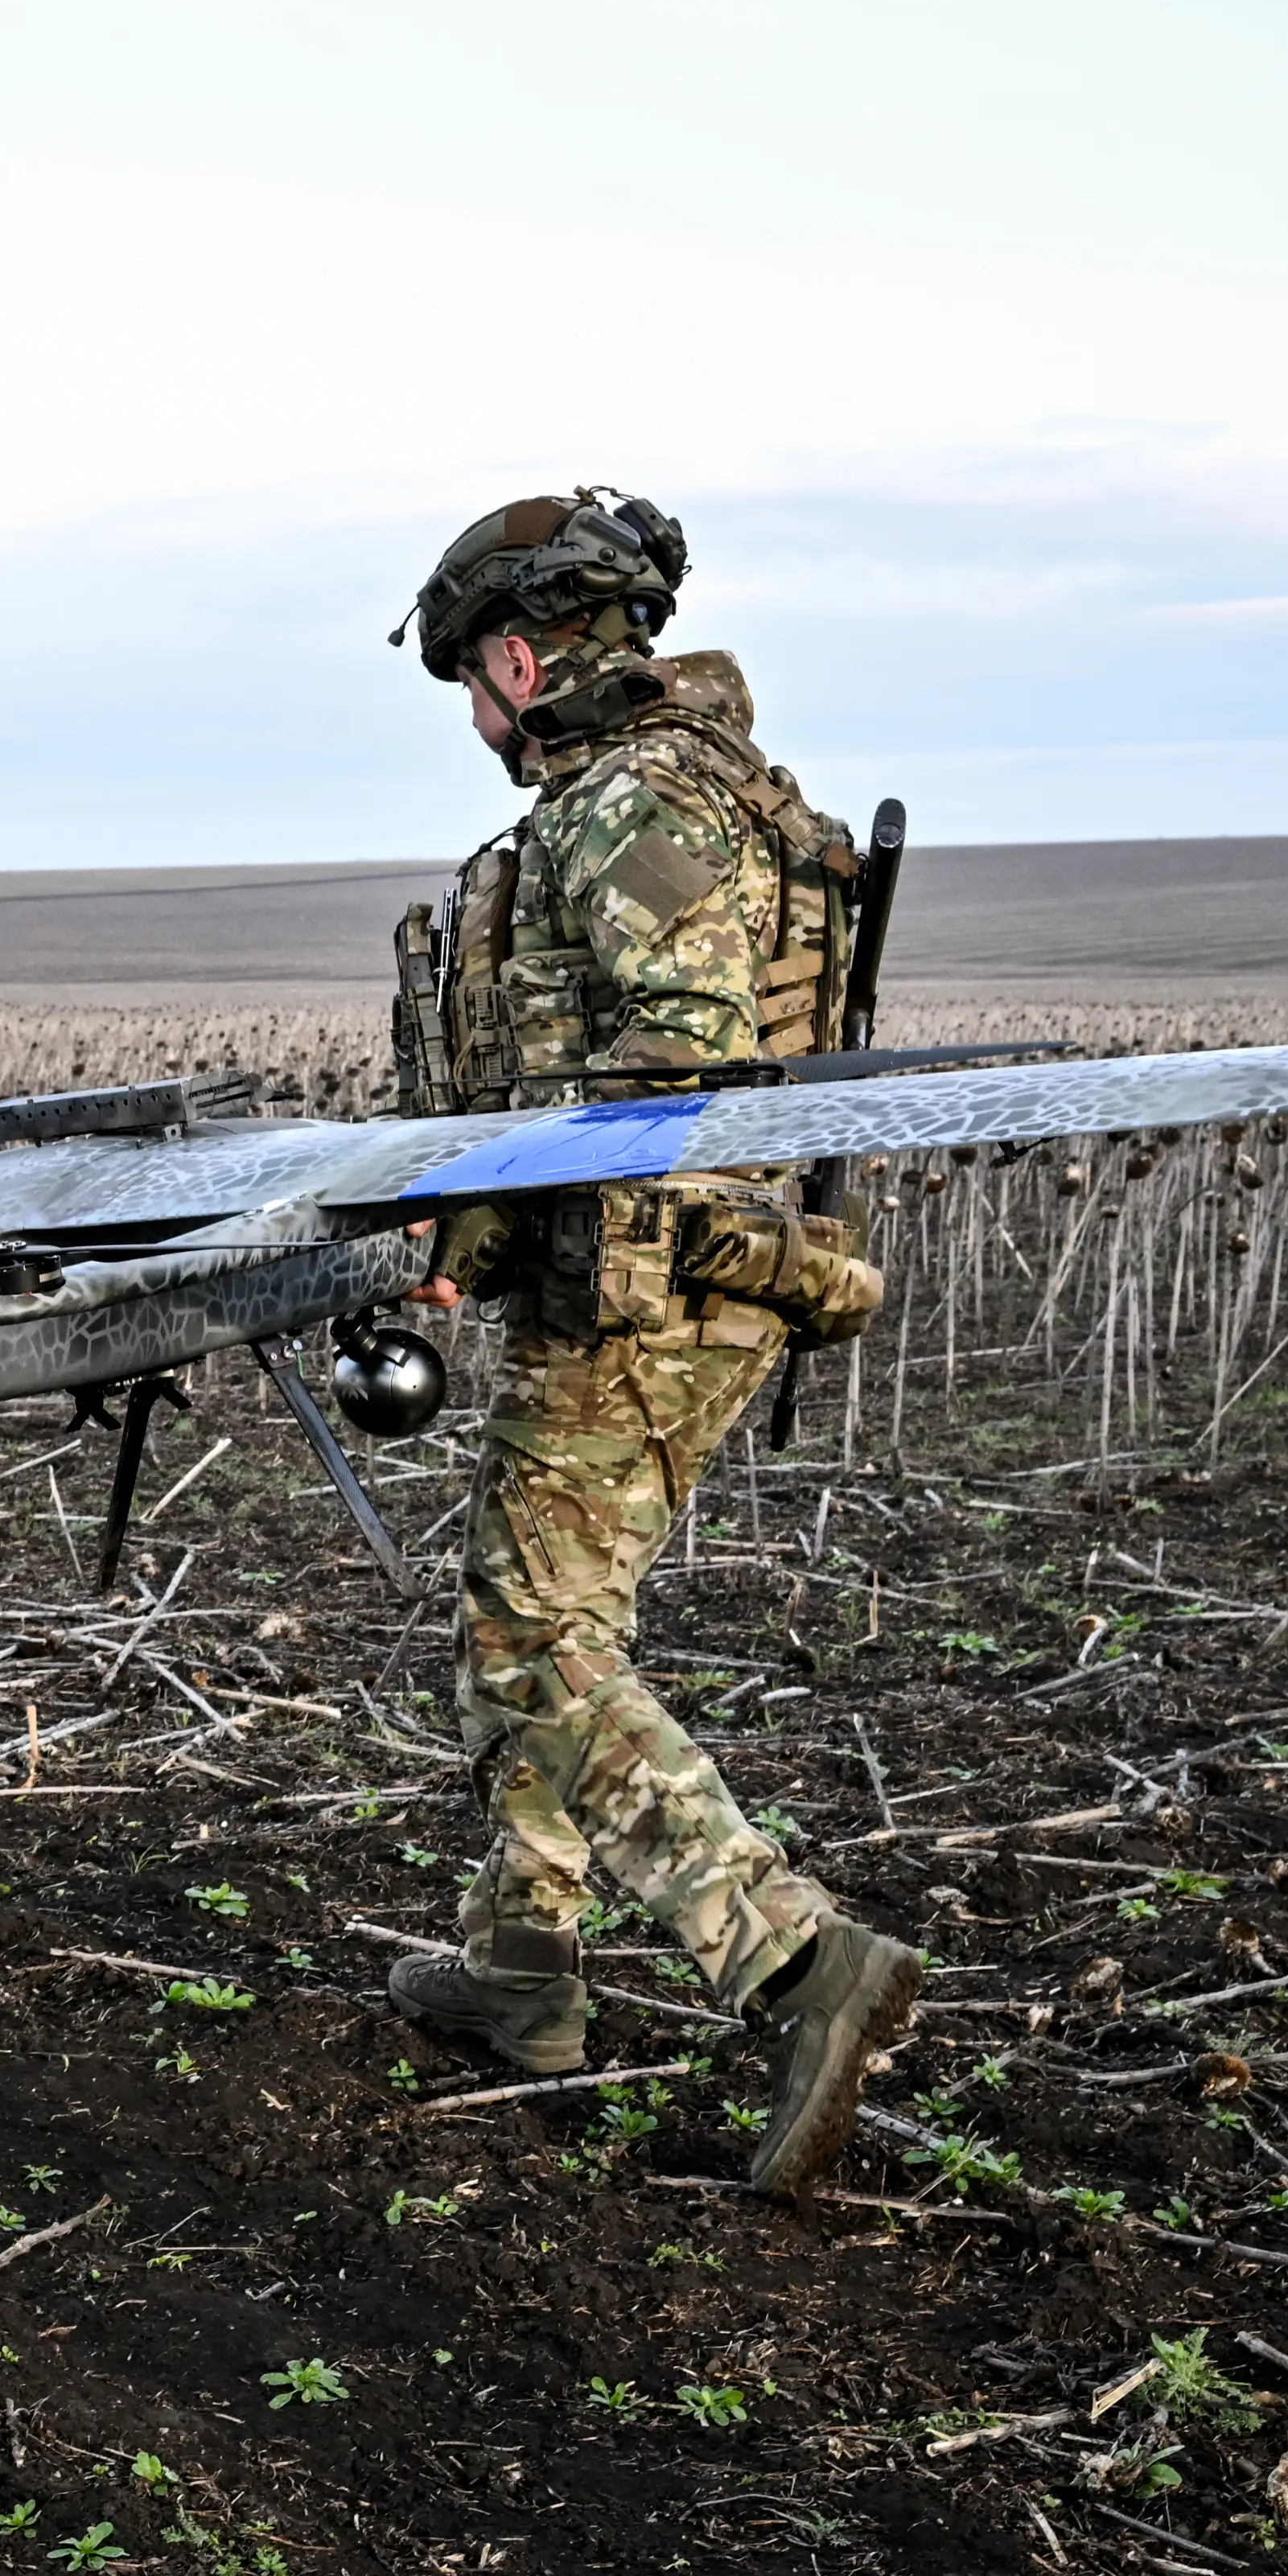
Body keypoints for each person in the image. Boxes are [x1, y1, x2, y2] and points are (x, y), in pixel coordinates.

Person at [376, 488, 923, 2197]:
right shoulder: (700, 787)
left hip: (650, 1285)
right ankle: (525, 1970)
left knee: (532, 1646)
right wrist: (473, 1235)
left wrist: (494, 1215)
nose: (473, 713)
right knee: (552, 1609)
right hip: (661, 1279)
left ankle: (787, 1958)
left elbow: (668, 1072)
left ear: (520, 658)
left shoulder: (630, 803)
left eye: (471, 675)